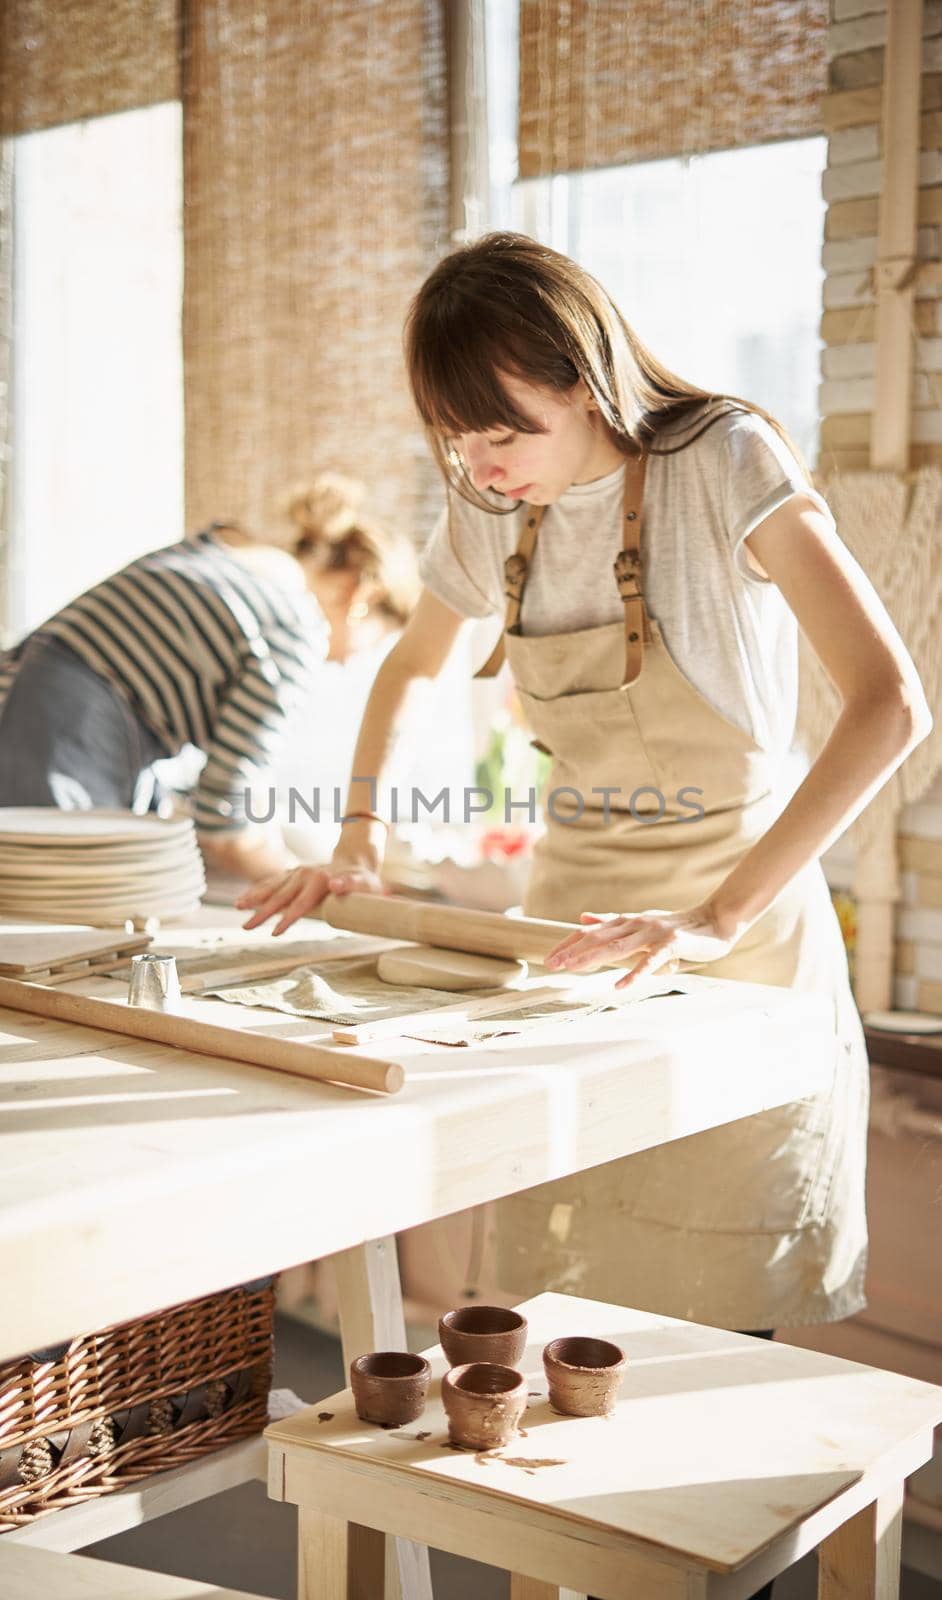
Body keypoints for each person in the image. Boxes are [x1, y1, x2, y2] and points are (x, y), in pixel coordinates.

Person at [238, 234, 929, 1541]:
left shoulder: (726, 460)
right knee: (562, 1354)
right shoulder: (494, 506)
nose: (480, 462)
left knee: (706, 1381)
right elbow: (410, 671)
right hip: (572, 947)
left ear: (586, 369)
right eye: (455, 436)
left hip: (729, 946)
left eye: (504, 425)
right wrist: (363, 835)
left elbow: (888, 704)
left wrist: (712, 916)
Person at [0, 498, 336, 882]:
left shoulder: (223, 553)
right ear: (361, 596)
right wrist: (303, 887)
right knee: (48, 894)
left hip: (23, 687)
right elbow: (224, 822)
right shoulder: (297, 625)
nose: (343, 663)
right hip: (70, 727)